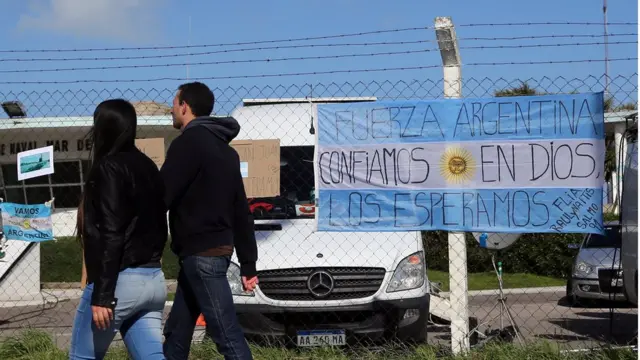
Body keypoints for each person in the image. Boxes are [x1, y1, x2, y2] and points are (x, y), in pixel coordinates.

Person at [161, 82, 257, 360]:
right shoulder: (227, 152)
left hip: (201, 255)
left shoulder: (187, 144)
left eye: (174, 103)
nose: (171, 109)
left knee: (226, 335)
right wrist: (248, 263)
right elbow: (241, 210)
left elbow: (162, 196)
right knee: (177, 332)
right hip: (212, 252)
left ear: (185, 106)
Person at [69, 99, 168, 360]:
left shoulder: (109, 168)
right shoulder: (148, 166)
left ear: (102, 129)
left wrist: (102, 296)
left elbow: (112, 233)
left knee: (82, 357)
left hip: (119, 283)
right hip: (153, 279)